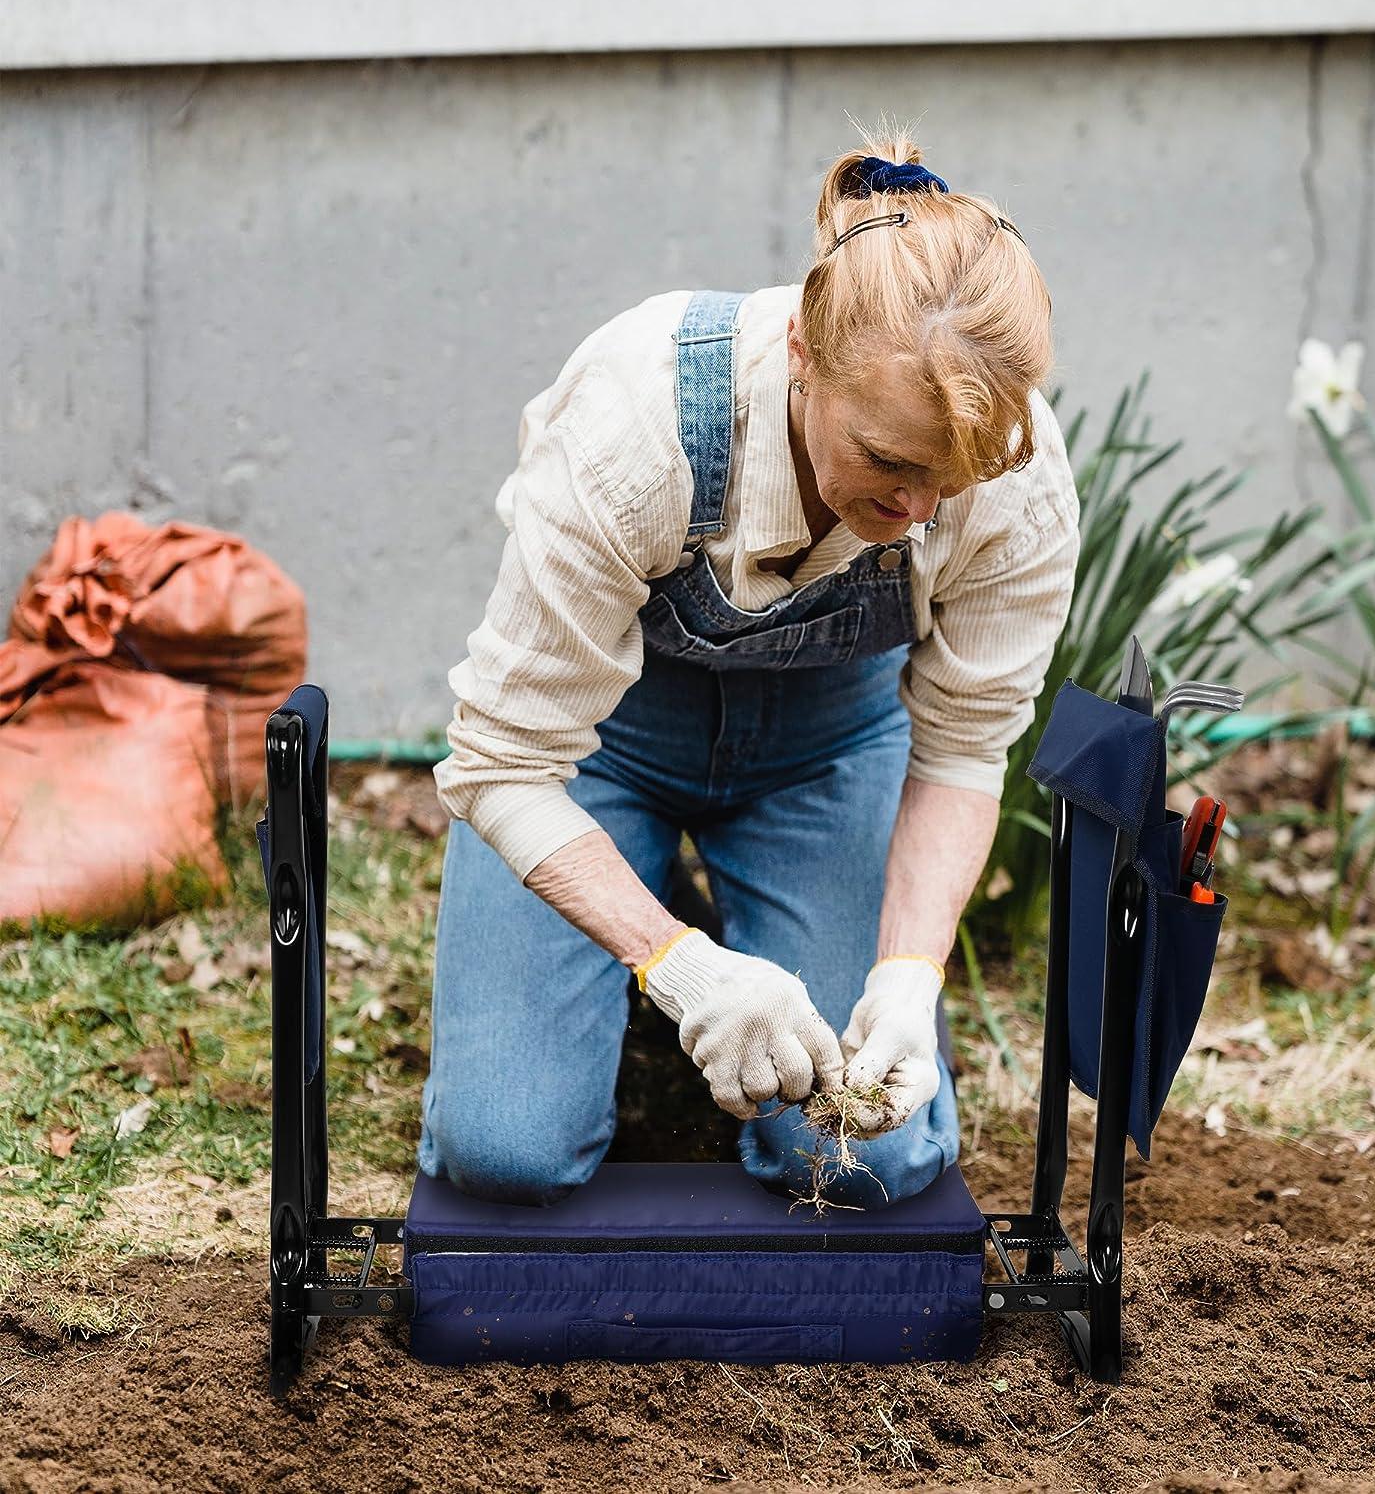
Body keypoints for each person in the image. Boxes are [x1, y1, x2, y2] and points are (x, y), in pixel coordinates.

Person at [420, 122, 1081, 1211]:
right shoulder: (638, 428)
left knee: (871, 1155)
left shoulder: (1016, 479)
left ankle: (745, 935)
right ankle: (651, 947)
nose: (919, 508)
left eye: (950, 480)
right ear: (802, 357)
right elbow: (502, 767)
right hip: (602, 747)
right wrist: (681, 968)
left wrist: (909, 979)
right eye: (888, 462)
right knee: (506, 1152)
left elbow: (964, 752)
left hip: (829, 751)